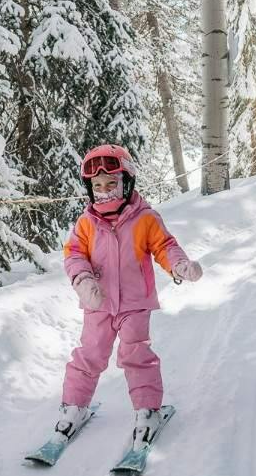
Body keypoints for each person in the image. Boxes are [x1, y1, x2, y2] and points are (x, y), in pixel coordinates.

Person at [54, 144, 203, 451]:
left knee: (136, 355)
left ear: (127, 181)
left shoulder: (145, 218)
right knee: (90, 354)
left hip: (135, 303)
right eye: (97, 186)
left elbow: (164, 246)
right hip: (99, 303)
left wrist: (179, 264)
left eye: (111, 184)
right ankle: (73, 406)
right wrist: (82, 280)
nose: (104, 192)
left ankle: (148, 410)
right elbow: (73, 254)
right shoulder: (86, 222)